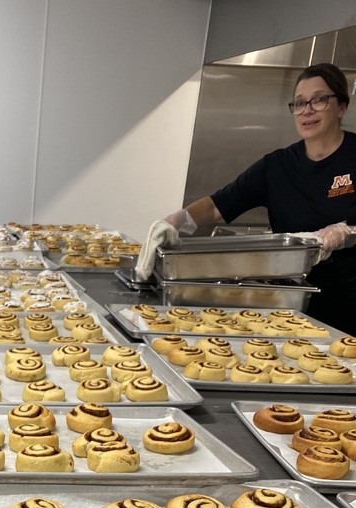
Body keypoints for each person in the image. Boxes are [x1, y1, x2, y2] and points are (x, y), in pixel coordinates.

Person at [137, 63, 356, 334]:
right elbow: (219, 205)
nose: (307, 110)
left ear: (342, 107)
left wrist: (348, 232)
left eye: (319, 100)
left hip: (350, 304)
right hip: (294, 306)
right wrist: (178, 220)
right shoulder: (277, 166)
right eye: (299, 103)